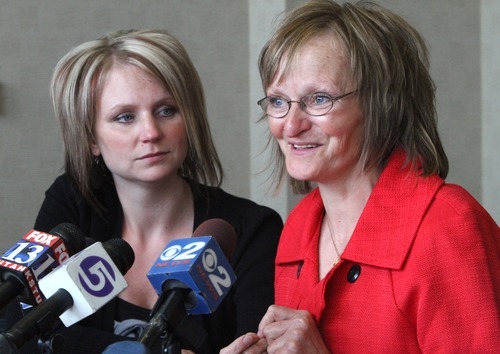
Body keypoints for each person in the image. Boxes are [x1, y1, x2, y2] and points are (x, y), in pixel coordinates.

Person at [222, 0, 500, 353]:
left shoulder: (448, 225)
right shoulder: (298, 226)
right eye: (278, 101)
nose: (290, 125)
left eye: (318, 99)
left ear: (381, 105)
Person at [5, 29, 283, 353]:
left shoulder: (250, 228)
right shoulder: (73, 204)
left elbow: (254, 344)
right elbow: (23, 330)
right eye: (125, 117)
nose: (151, 132)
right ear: (92, 139)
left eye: (166, 110)